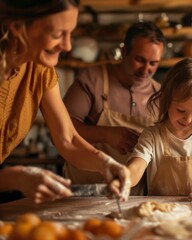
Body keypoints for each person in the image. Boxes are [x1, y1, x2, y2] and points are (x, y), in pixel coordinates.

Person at [0, 0, 131, 204]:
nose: (68, 46)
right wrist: (17, 177)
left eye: (70, 33)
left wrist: (105, 163)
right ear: (18, 28)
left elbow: (68, 139)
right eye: (57, 34)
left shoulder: (39, 69)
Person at [62, 21, 165, 193]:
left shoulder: (160, 96)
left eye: (153, 63)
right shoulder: (92, 79)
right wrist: (106, 134)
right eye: (140, 60)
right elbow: (62, 130)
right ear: (124, 52)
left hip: (136, 196)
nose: (145, 70)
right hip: (86, 192)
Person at [127, 58, 192, 200]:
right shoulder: (153, 136)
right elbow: (136, 167)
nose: (187, 119)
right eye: (180, 110)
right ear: (167, 100)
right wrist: (124, 178)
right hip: (160, 212)